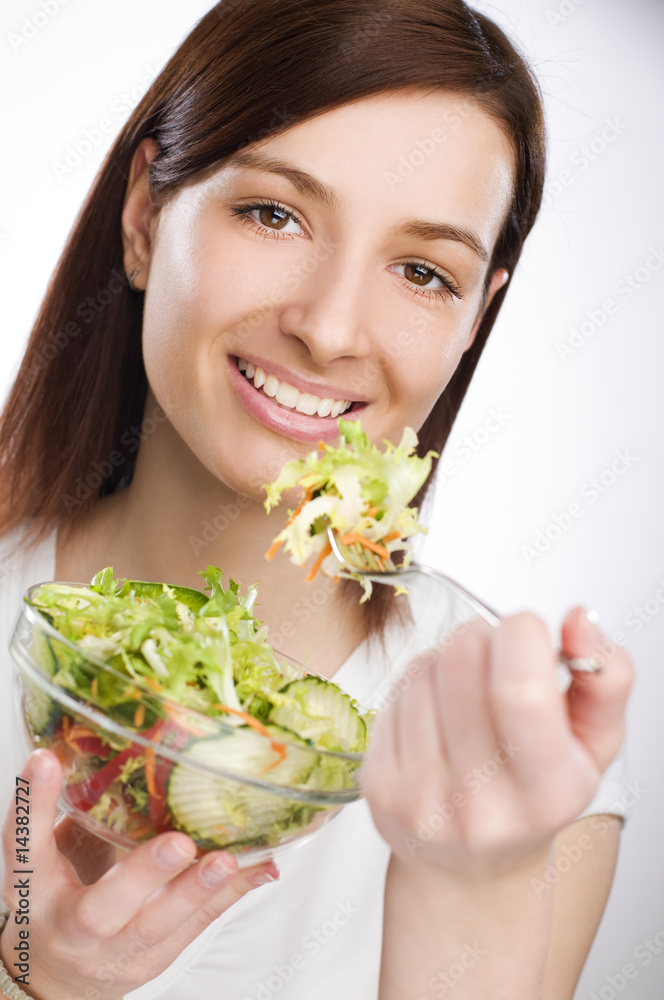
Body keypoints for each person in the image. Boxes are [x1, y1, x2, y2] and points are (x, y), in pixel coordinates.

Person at [0, 1, 634, 997]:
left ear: (476, 318)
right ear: (144, 217)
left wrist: (470, 891)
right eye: (274, 214)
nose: (331, 328)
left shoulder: (517, 774)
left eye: (422, 272)